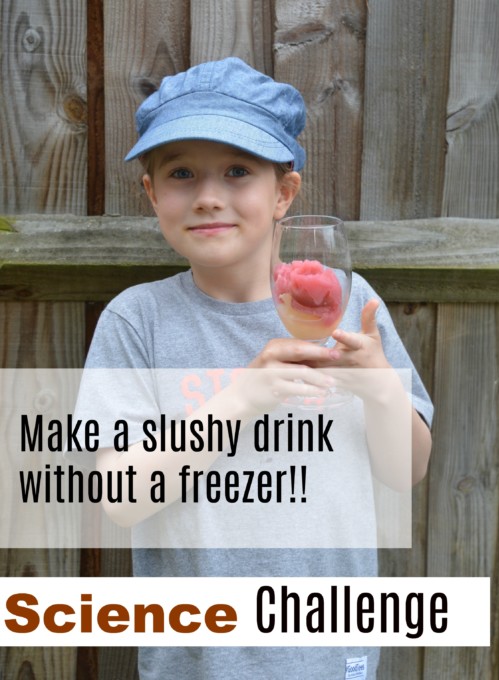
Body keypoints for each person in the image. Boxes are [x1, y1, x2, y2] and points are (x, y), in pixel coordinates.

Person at [81, 57, 433, 680]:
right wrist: (241, 399)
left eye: (238, 171)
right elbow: (119, 497)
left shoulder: (350, 306)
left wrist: (382, 390)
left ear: (283, 194)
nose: (209, 195)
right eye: (182, 172)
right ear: (152, 193)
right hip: (197, 657)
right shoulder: (138, 320)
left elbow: (404, 472)